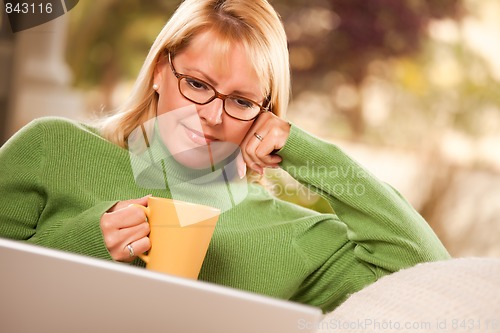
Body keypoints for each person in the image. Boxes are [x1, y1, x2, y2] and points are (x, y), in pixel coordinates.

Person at [0, 0, 449, 313]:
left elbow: (431, 275)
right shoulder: (52, 148)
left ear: (266, 114)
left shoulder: (298, 237)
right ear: (160, 69)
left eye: (241, 101)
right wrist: (88, 242)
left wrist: (304, 150)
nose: (211, 116)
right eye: (196, 84)